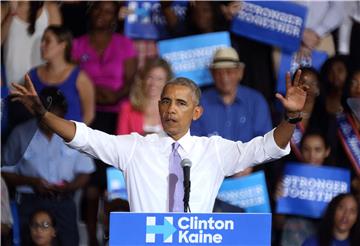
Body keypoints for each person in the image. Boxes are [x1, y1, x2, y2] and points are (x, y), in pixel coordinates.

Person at [10, 68, 308, 213]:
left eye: (180, 103)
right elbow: (84, 137)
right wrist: (41, 113)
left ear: (196, 112)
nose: (170, 109)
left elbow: (266, 148)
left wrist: (292, 118)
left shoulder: (214, 150)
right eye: (165, 102)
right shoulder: (136, 147)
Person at [71, 2, 137, 244]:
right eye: (97, 9)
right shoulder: (78, 44)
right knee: (90, 185)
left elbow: (131, 81)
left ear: (114, 17)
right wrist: (96, 95)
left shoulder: (125, 44)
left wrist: (114, 96)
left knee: (112, 183)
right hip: (88, 116)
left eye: (108, 11)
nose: (101, 14)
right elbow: (74, 79)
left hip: (118, 120)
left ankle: (116, 237)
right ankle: (90, 238)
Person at [2, 87, 95, 246]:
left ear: (63, 112)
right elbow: (4, 172)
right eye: (44, 110)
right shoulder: (21, 133)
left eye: (54, 112)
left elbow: (86, 172)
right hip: (30, 200)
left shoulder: (74, 134)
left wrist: (69, 186)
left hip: (63, 200)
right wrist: (33, 182)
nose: (48, 116)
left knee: (68, 242)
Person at [191, 47, 272, 142]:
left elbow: (265, 144)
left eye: (229, 72)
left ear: (240, 72)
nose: (224, 78)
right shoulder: (199, 102)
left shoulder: (256, 101)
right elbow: (194, 142)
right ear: (212, 74)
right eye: (219, 73)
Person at [29, 25, 95, 125]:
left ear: (63, 45)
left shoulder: (80, 78)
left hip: (68, 139)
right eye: (42, 41)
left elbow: (89, 115)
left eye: (47, 41)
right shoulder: (33, 75)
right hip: (39, 137)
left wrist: (74, 137)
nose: (42, 45)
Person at [280, 131, 331, 246]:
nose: (312, 155)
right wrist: (280, 201)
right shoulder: (289, 179)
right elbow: (278, 225)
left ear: (327, 151)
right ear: (301, 151)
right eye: (306, 149)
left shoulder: (337, 184)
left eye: (317, 150)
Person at [117, 58, 173, 135]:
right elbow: (121, 141)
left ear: (167, 82)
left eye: (159, 79)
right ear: (142, 79)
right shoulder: (127, 108)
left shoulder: (173, 110)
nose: (154, 83)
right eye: (150, 77)